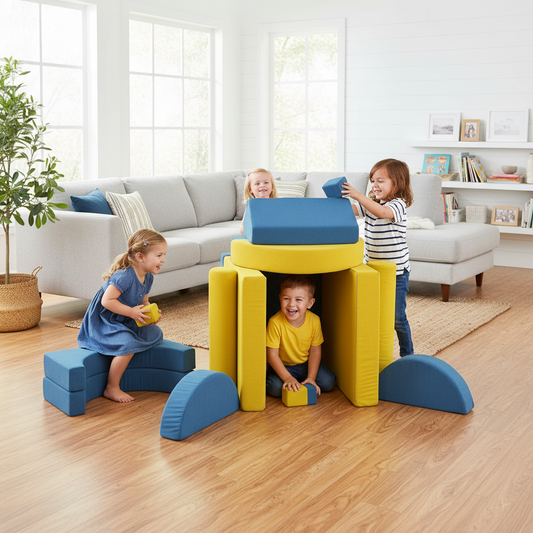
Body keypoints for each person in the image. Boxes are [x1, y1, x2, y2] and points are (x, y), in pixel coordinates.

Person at [77, 229, 167, 402]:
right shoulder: (124, 276)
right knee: (128, 344)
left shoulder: (148, 277)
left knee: (155, 334)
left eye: (164, 255)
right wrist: (132, 312)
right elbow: (107, 301)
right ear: (140, 257)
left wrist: (150, 313)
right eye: (159, 255)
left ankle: (121, 352)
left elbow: (144, 301)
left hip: (125, 317)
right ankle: (112, 387)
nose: (163, 259)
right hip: (104, 321)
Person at [341, 158, 414, 357]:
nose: (375, 184)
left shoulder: (398, 205)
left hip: (397, 272)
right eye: (373, 180)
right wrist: (337, 201)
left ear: (396, 184)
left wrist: (357, 195)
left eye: (381, 180)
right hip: (373, 269)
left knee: (397, 317)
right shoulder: (371, 205)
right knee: (372, 313)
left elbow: (382, 212)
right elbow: (351, 210)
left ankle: (407, 354)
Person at [266, 274, 336, 397]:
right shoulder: (275, 322)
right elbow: (272, 356)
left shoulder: (314, 321)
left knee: (328, 382)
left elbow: (315, 352)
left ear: (310, 303)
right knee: (274, 388)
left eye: (298, 300)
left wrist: (311, 377)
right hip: (284, 366)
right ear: (280, 298)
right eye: (286, 298)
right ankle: (292, 382)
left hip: (305, 365)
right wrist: (287, 378)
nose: (291, 304)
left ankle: (301, 382)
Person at [239, 168, 278, 234]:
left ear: (272, 187)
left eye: (266, 182)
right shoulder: (251, 206)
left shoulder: (276, 204)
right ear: (250, 189)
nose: (262, 185)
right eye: (257, 183)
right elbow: (242, 227)